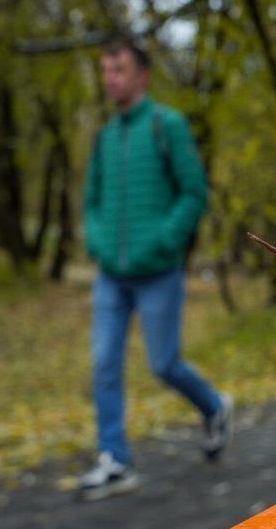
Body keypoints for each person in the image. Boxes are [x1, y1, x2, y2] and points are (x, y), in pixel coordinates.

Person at [78, 38, 232, 501]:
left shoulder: (168, 126)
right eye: (106, 70)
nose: (110, 78)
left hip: (159, 272)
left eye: (119, 69)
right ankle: (115, 460)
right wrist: (96, 239)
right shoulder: (105, 136)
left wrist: (165, 239)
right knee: (104, 363)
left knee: (163, 363)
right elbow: (91, 201)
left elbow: (194, 193)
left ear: (142, 76)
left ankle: (213, 406)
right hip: (112, 274)